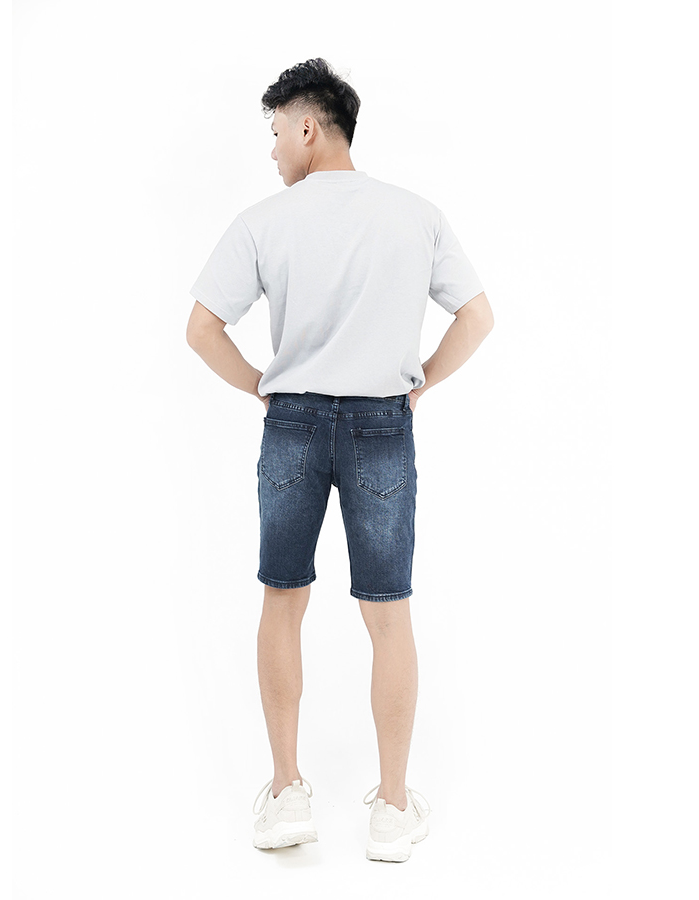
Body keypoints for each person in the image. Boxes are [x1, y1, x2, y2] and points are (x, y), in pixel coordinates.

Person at [186, 58, 494, 862]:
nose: (273, 149)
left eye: (276, 132)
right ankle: (392, 806)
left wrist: (263, 387)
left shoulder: (264, 221)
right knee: (388, 613)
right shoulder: (415, 214)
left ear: (309, 126)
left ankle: (287, 793)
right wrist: (421, 383)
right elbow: (477, 315)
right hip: (382, 425)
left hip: (291, 423)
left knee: (282, 600)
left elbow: (200, 329)